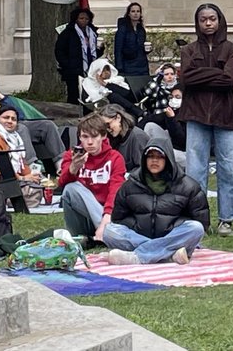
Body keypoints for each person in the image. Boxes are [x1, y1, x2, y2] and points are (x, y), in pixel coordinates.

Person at [178, 3, 233, 237]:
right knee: (196, 170)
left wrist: (203, 77)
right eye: (203, 19)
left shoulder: (230, 49)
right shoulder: (188, 50)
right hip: (196, 114)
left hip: (225, 114)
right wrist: (215, 74)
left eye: (212, 19)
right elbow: (186, 79)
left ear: (219, 21)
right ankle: (199, 220)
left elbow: (229, 80)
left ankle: (226, 219)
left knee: (229, 167)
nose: (208, 23)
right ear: (197, 23)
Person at [103, 139, 209, 266]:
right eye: (150, 156)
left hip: (173, 235)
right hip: (139, 235)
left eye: (160, 157)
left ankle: (138, 257)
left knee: (196, 228)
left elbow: (201, 221)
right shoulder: (130, 185)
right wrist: (136, 225)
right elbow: (118, 219)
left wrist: (175, 228)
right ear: (144, 159)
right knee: (109, 231)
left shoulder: (188, 186)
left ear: (168, 159)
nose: (154, 160)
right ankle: (167, 255)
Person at [57, 112, 127, 243]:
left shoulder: (115, 157)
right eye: (85, 137)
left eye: (94, 136)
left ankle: (106, 231)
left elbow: (115, 191)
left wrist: (106, 218)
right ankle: (98, 235)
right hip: (82, 219)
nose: (89, 142)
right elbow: (61, 185)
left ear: (103, 136)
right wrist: (73, 168)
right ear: (79, 138)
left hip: (108, 215)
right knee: (71, 188)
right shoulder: (72, 156)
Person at [54, 7, 99, 105]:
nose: (84, 21)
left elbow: (93, 51)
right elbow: (59, 51)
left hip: (89, 69)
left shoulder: (92, 33)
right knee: (74, 94)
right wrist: (67, 64)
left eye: (86, 19)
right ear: (76, 19)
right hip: (73, 70)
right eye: (81, 18)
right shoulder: (68, 33)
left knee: (89, 94)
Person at [100, 104, 152, 178]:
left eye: (108, 124)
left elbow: (145, 169)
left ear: (118, 118)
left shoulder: (137, 137)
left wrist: (123, 175)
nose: (107, 129)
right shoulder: (115, 138)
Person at [113, 2, 149, 77]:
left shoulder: (141, 29)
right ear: (128, 14)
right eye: (133, 11)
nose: (135, 14)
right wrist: (119, 68)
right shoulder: (122, 29)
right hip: (128, 66)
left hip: (142, 66)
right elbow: (118, 50)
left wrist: (148, 50)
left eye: (138, 11)